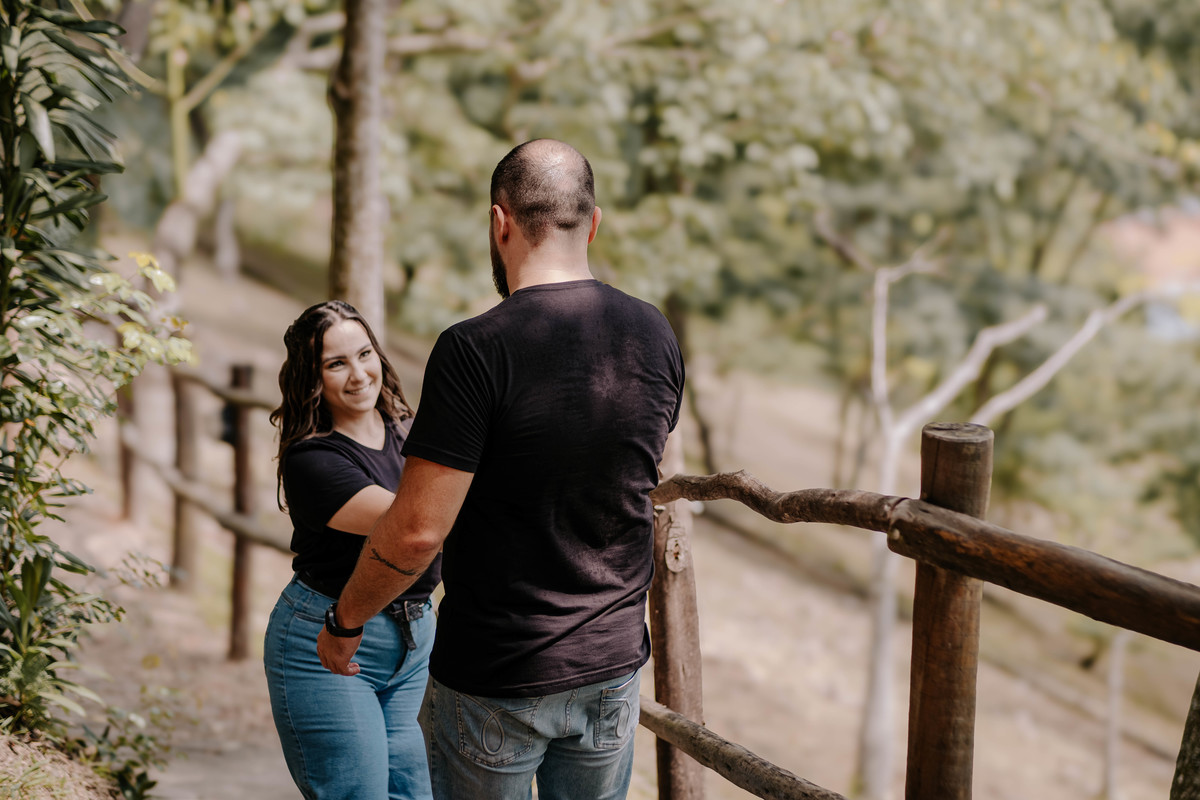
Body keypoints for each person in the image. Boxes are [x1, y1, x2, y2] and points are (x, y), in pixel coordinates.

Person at [317, 139, 685, 800]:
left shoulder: (473, 349)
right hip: (610, 667)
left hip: (496, 674)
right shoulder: (653, 334)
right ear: (593, 224)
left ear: (499, 222)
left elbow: (417, 532)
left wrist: (346, 621)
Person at [264, 300, 441, 800]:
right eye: (336, 363)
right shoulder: (313, 459)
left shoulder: (409, 432)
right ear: (313, 378)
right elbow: (415, 525)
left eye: (364, 354)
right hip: (329, 638)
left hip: (414, 640)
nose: (359, 374)